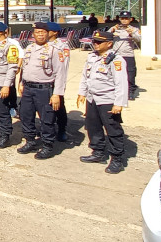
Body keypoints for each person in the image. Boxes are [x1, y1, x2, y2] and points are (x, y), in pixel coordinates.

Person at [76, 30, 129, 174]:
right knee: (93, 126)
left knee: (112, 129)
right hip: (92, 98)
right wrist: (82, 92)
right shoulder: (92, 57)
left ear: (109, 43)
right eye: (94, 41)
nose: (95, 44)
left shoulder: (116, 60)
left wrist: (119, 103)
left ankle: (117, 159)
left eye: (99, 42)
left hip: (108, 100)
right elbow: (85, 77)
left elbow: (121, 83)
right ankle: (98, 152)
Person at [16, 22, 67, 159]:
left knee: (47, 119)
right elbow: (25, 68)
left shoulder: (54, 50)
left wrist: (57, 94)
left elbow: (60, 73)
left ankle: (47, 146)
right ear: (33, 34)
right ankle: (30, 141)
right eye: (37, 32)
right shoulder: (29, 48)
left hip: (44, 89)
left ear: (48, 33)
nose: (40, 35)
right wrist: (21, 82)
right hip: (28, 88)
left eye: (43, 32)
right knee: (26, 116)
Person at [47, 22, 71, 142]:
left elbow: (63, 67)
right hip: (42, 81)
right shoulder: (42, 44)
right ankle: (47, 129)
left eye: (47, 30)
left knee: (59, 106)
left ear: (55, 32)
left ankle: (62, 129)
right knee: (45, 107)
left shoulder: (62, 46)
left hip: (56, 81)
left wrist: (60, 85)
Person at [111, 10, 141, 100]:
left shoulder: (134, 29)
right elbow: (106, 36)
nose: (124, 20)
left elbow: (139, 39)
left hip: (128, 55)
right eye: (122, 18)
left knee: (130, 74)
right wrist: (112, 31)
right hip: (116, 55)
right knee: (115, 73)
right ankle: (116, 91)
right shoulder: (115, 28)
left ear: (130, 19)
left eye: (126, 19)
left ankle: (130, 92)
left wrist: (131, 33)